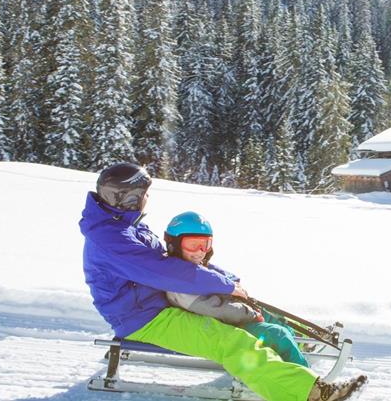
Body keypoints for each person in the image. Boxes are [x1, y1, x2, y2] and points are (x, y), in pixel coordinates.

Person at [79, 163, 367, 401]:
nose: (137, 200)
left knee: (239, 324)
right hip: (143, 318)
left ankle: (293, 358)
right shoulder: (111, 237)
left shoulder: (124, 225)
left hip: (155, 305)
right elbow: (166, 271)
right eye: (133, 195)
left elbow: (171, 264)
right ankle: (309, 394)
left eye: (137, 195)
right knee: (229, 341)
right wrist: (224, 285)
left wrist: (223, 280)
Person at [162, 211, 310, 367]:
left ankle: (297, 345)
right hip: (220, 328)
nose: (200, 251)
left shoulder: (194, 267)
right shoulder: (176, 281)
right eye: (193, 245)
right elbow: (215, 309)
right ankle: (305, 380)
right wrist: (249, 313)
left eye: (205, 244)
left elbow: (219, 277)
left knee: (273, 316)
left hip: (229, 319)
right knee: (276, 334)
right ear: (175, 245)